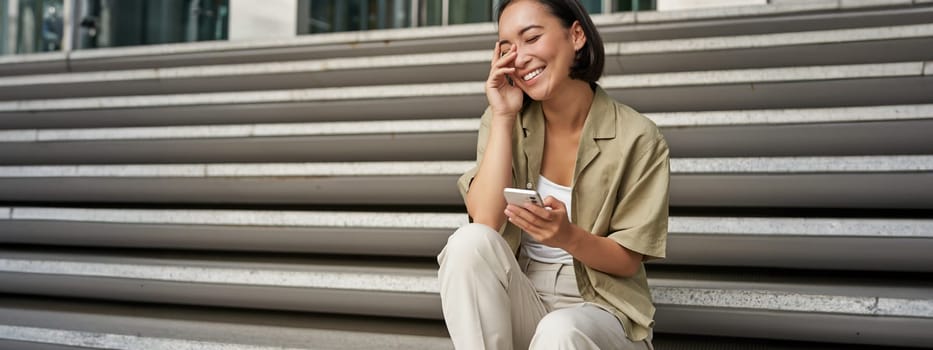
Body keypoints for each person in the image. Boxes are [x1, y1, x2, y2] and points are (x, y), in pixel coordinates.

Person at [437, 0, 670, 349]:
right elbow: (484, 223)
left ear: (576, 36)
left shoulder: (638, 136)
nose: (519, 56)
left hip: (602, 309)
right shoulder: (503, 119)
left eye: (531, 38)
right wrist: (503, 116)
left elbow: (627, 260)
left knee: (560, 331)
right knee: (466, 243)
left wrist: (566, 236)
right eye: (507, 47)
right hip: (524, 293)